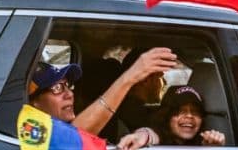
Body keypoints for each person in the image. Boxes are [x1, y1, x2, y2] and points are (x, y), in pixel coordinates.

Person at [27, 46, 176, 138]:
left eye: (67, 85)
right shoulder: (30, 132)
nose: (70, 94)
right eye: (57, 88)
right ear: (34, 102)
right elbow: (72, 140)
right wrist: (131, 76)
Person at [116, 85, 225, 150]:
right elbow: (150, 135)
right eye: (180, 111)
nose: (189, 115)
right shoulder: (159, 135)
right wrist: (140, 136)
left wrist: (213, 148)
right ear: (167, 116)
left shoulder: (204, 140)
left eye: (196, 112)